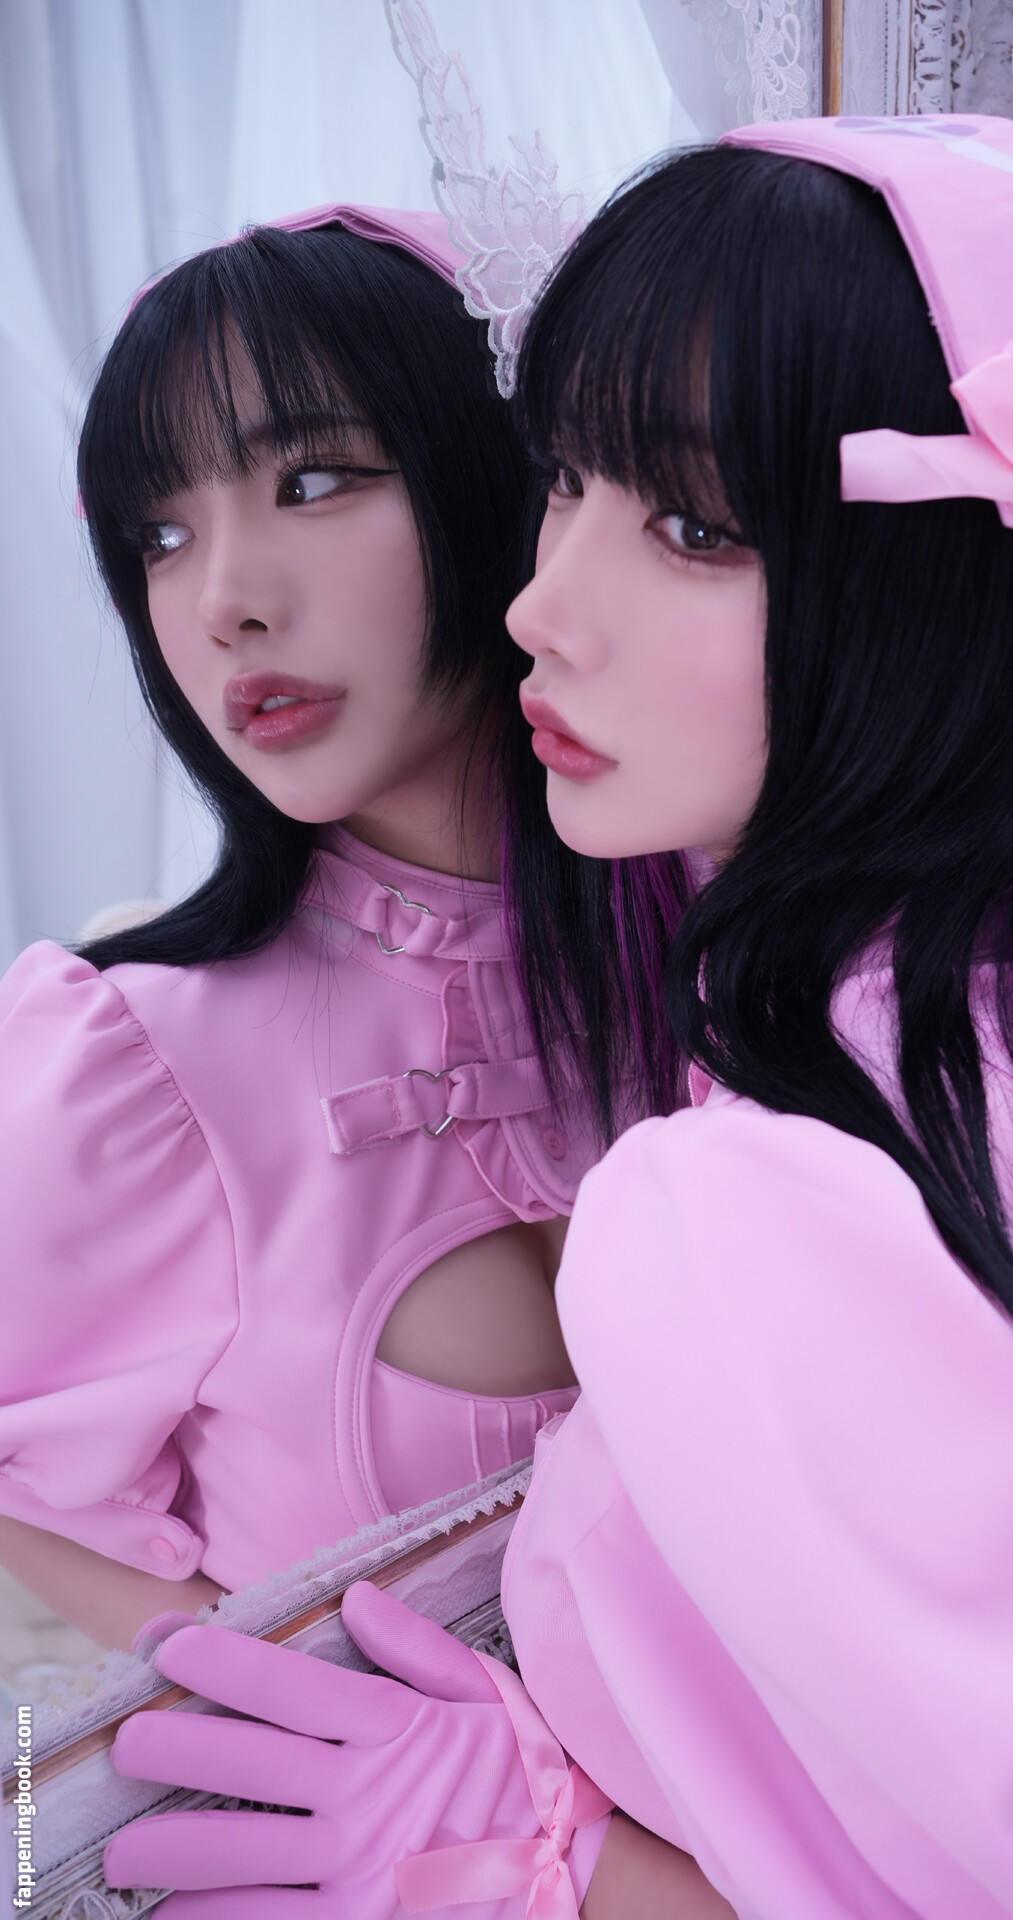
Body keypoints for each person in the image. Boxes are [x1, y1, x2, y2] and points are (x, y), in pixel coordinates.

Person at [103, 116, 1013, 1916]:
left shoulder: (766, 1202)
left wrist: (569, 1865)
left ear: (936, 592)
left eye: (691, 526)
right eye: (564, 480)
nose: (542, 608)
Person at [0, 206, 685, 1653]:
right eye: (160, 536)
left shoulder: (756, 964)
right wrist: (279, 1697)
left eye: (311, 481)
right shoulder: (130, 1060)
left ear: (507, 479)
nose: (224, 603)